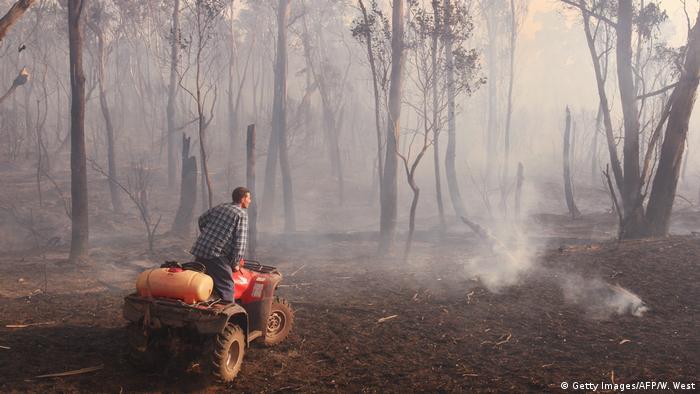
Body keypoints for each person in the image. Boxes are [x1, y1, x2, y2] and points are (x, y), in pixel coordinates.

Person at [190, 187, 251, 304]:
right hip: (216, 254)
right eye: (249, 198)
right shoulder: (241, 214)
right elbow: (240, 243)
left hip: (200, 249)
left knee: (201, 281)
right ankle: (228, 315)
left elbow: (201, 220)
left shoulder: (221, 207)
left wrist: (210, 237)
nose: (250, 201)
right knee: (227, 285)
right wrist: (235, 264)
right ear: (243, 199)